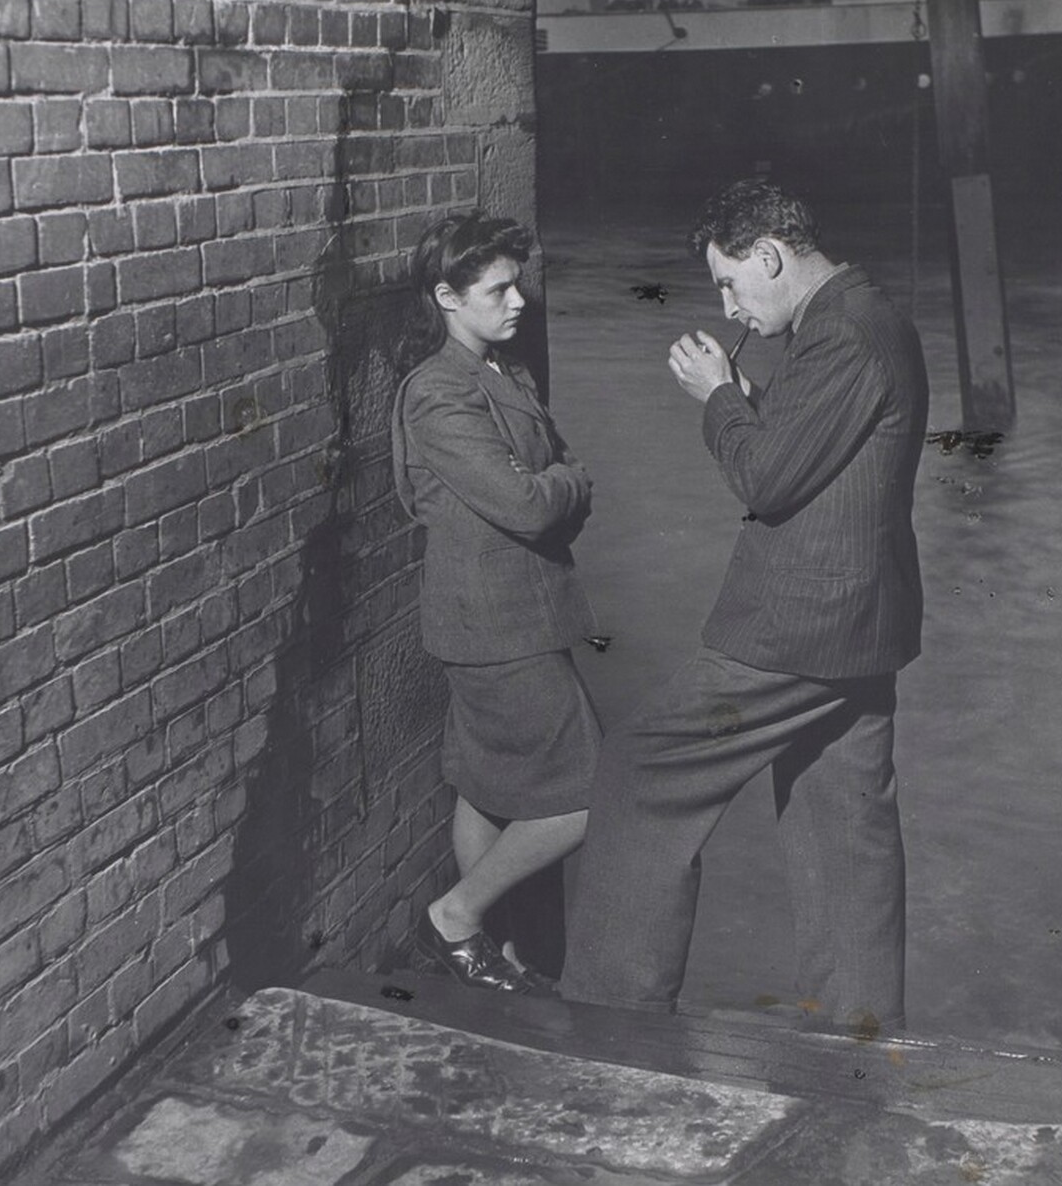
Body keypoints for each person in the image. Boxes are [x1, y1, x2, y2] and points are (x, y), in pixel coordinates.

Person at [559, 180, 928, 1037]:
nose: (727, 303)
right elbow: (815, 456)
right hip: (856, 627)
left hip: (796, 631)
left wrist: (721, 393)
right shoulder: (859, 320)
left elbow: (767, 479)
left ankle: (613, 1019)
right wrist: (754, 404)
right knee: (843, 827)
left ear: (770, 255)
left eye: (730, 283)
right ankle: (856, 1037)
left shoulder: (842, 337)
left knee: (640, 772)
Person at [391, 213, 601, 994]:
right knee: (589, 792)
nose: (520, 301)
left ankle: (496, 953)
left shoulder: (506, 374)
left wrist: (556, 482)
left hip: (518, 612)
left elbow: (556, 465)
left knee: (486, 785)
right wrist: (563, 487)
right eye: (499, 289)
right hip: (494, 624)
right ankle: (454, 919)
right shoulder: (438, 394)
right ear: (447, 297)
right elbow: (529, 503)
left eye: (520, 283)